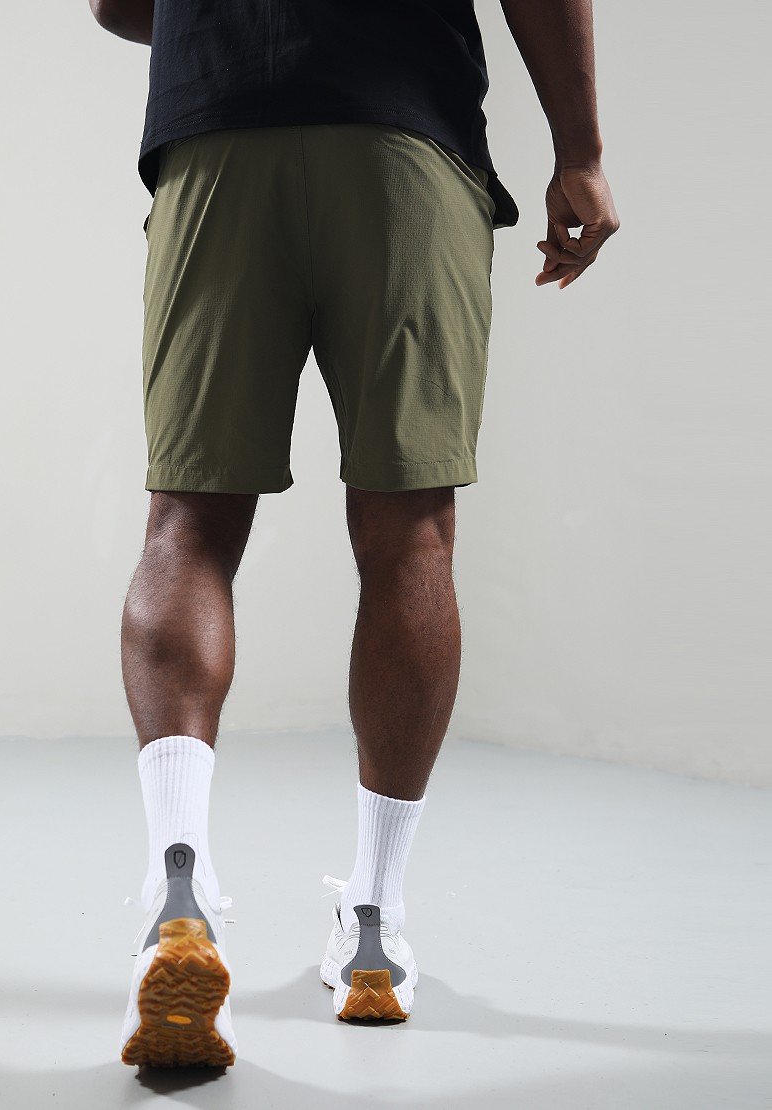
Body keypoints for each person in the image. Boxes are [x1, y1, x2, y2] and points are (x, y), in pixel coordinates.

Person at [89, 0, 619, 1068]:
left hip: (217, 129)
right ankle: (373, 921)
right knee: (409, 533)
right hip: (402, 129)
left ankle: (178, 887)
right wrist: (581, 152)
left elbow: (113, 3)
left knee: (188, 522)